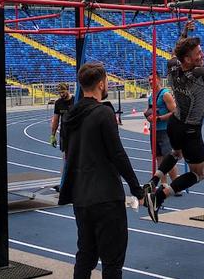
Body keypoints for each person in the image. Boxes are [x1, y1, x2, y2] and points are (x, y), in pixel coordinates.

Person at [143, 18, 204, 223]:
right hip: (190, 130)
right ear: (187, 59)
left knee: (176, 153)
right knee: (200, 173)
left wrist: (185, 34)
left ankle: (153, 181)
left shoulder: (172, 66)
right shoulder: (199, 73)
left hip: (175, 125)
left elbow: (176, 51)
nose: (202, 55)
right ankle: (158, 196)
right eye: (198, 54)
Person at [58, 62, 143, 279]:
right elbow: (118, 154)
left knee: (85, 256)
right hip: (106, 197)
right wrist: (136, 188)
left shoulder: (70, 117)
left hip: (81, 197)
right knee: (112, 262)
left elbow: (67, 155)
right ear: (101, 83)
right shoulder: (103, 113)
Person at [144, 70, 181, 194]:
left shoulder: (165, 94)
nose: (150, 82)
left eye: (152, 79)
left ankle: (177, 185)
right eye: (149, 80)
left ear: (159, 80)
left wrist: (159, 118)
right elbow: (150, 110)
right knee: (158, 158)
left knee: (168, 158)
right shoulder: (151, 96)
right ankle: (164, 185)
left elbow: (175, 112)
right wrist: (148, 115)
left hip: (165, 130)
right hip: (154, 130)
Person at [49, 82, 73, 192]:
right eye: (59, 93)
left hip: (76, 134)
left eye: (63, 92)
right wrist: (52, 135)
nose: (61, 95)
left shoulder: (75, 101)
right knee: (65, 159)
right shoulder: (58, 103)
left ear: (68, 90)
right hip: (65, 135)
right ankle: (64, 184)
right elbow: (56, 120)